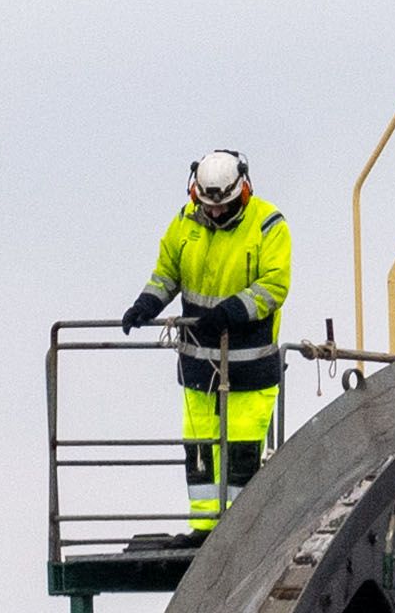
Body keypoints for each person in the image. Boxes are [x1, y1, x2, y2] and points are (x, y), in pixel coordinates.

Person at [124, 147, 293, 528]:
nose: (215, 213)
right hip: (197, 364)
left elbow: (274, 286)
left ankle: (241, 533)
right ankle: (204, 534)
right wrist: (145, 305)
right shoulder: (185, 222)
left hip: (250, 367)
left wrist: (230, 313)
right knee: (200, 452)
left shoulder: (269, 225)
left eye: (225, 207)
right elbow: (167, 273)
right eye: (208, 206)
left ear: (243, 194)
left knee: (241, 454)